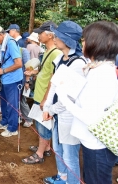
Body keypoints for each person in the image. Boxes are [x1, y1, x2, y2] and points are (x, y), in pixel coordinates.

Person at [55, 21, 118, 184]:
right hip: (93, 142)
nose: (82, 43)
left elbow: (91, 117)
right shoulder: (97, 69)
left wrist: (63, 96)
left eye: (85, 39)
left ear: (98, 43)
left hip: (98, 147)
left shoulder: (102, 75)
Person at [42, 21, 87, 184]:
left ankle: (72, 181)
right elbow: (55, 83)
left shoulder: (78, 63)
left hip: (69, 116)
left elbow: (69, 98)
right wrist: (47, 106)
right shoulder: (61, 58)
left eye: (58, 36)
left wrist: (52, 109)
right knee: (59, 149)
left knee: (69, 154)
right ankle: (62, 177)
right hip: (57, 114)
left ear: (67, 40)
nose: (54, 39)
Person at [22, 21, 62, 164]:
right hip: (40, 94)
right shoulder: (47, 51)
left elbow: (53, 77)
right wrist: (33, 72)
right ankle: (46, 147)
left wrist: (46, 99)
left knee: (43, 125)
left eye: (41, 33)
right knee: (41, 123)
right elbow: (45, 71)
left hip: (45, 97)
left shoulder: (56, 53)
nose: (38, 35)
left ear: (50, 35)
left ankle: (39, 154)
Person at [0, 25, 23, 137]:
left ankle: (12, 129)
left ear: (0, 35)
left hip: (13, 80)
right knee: (3, 102)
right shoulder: (4, 43)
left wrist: (3, 70)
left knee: (12, 105)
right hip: (5, 79)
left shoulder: (11, 43)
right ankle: (5, 121)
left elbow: (19, 63)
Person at [6, 24, 33, 128]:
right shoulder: (14, 42)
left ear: (14, 31)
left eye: (9, 31)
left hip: (21, 78)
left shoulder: (21, 44)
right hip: (15, 77)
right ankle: (20, 116)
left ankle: (28, 119)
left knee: (21, 99)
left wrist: (27, 81)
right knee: (17, 99)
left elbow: (28, 66)